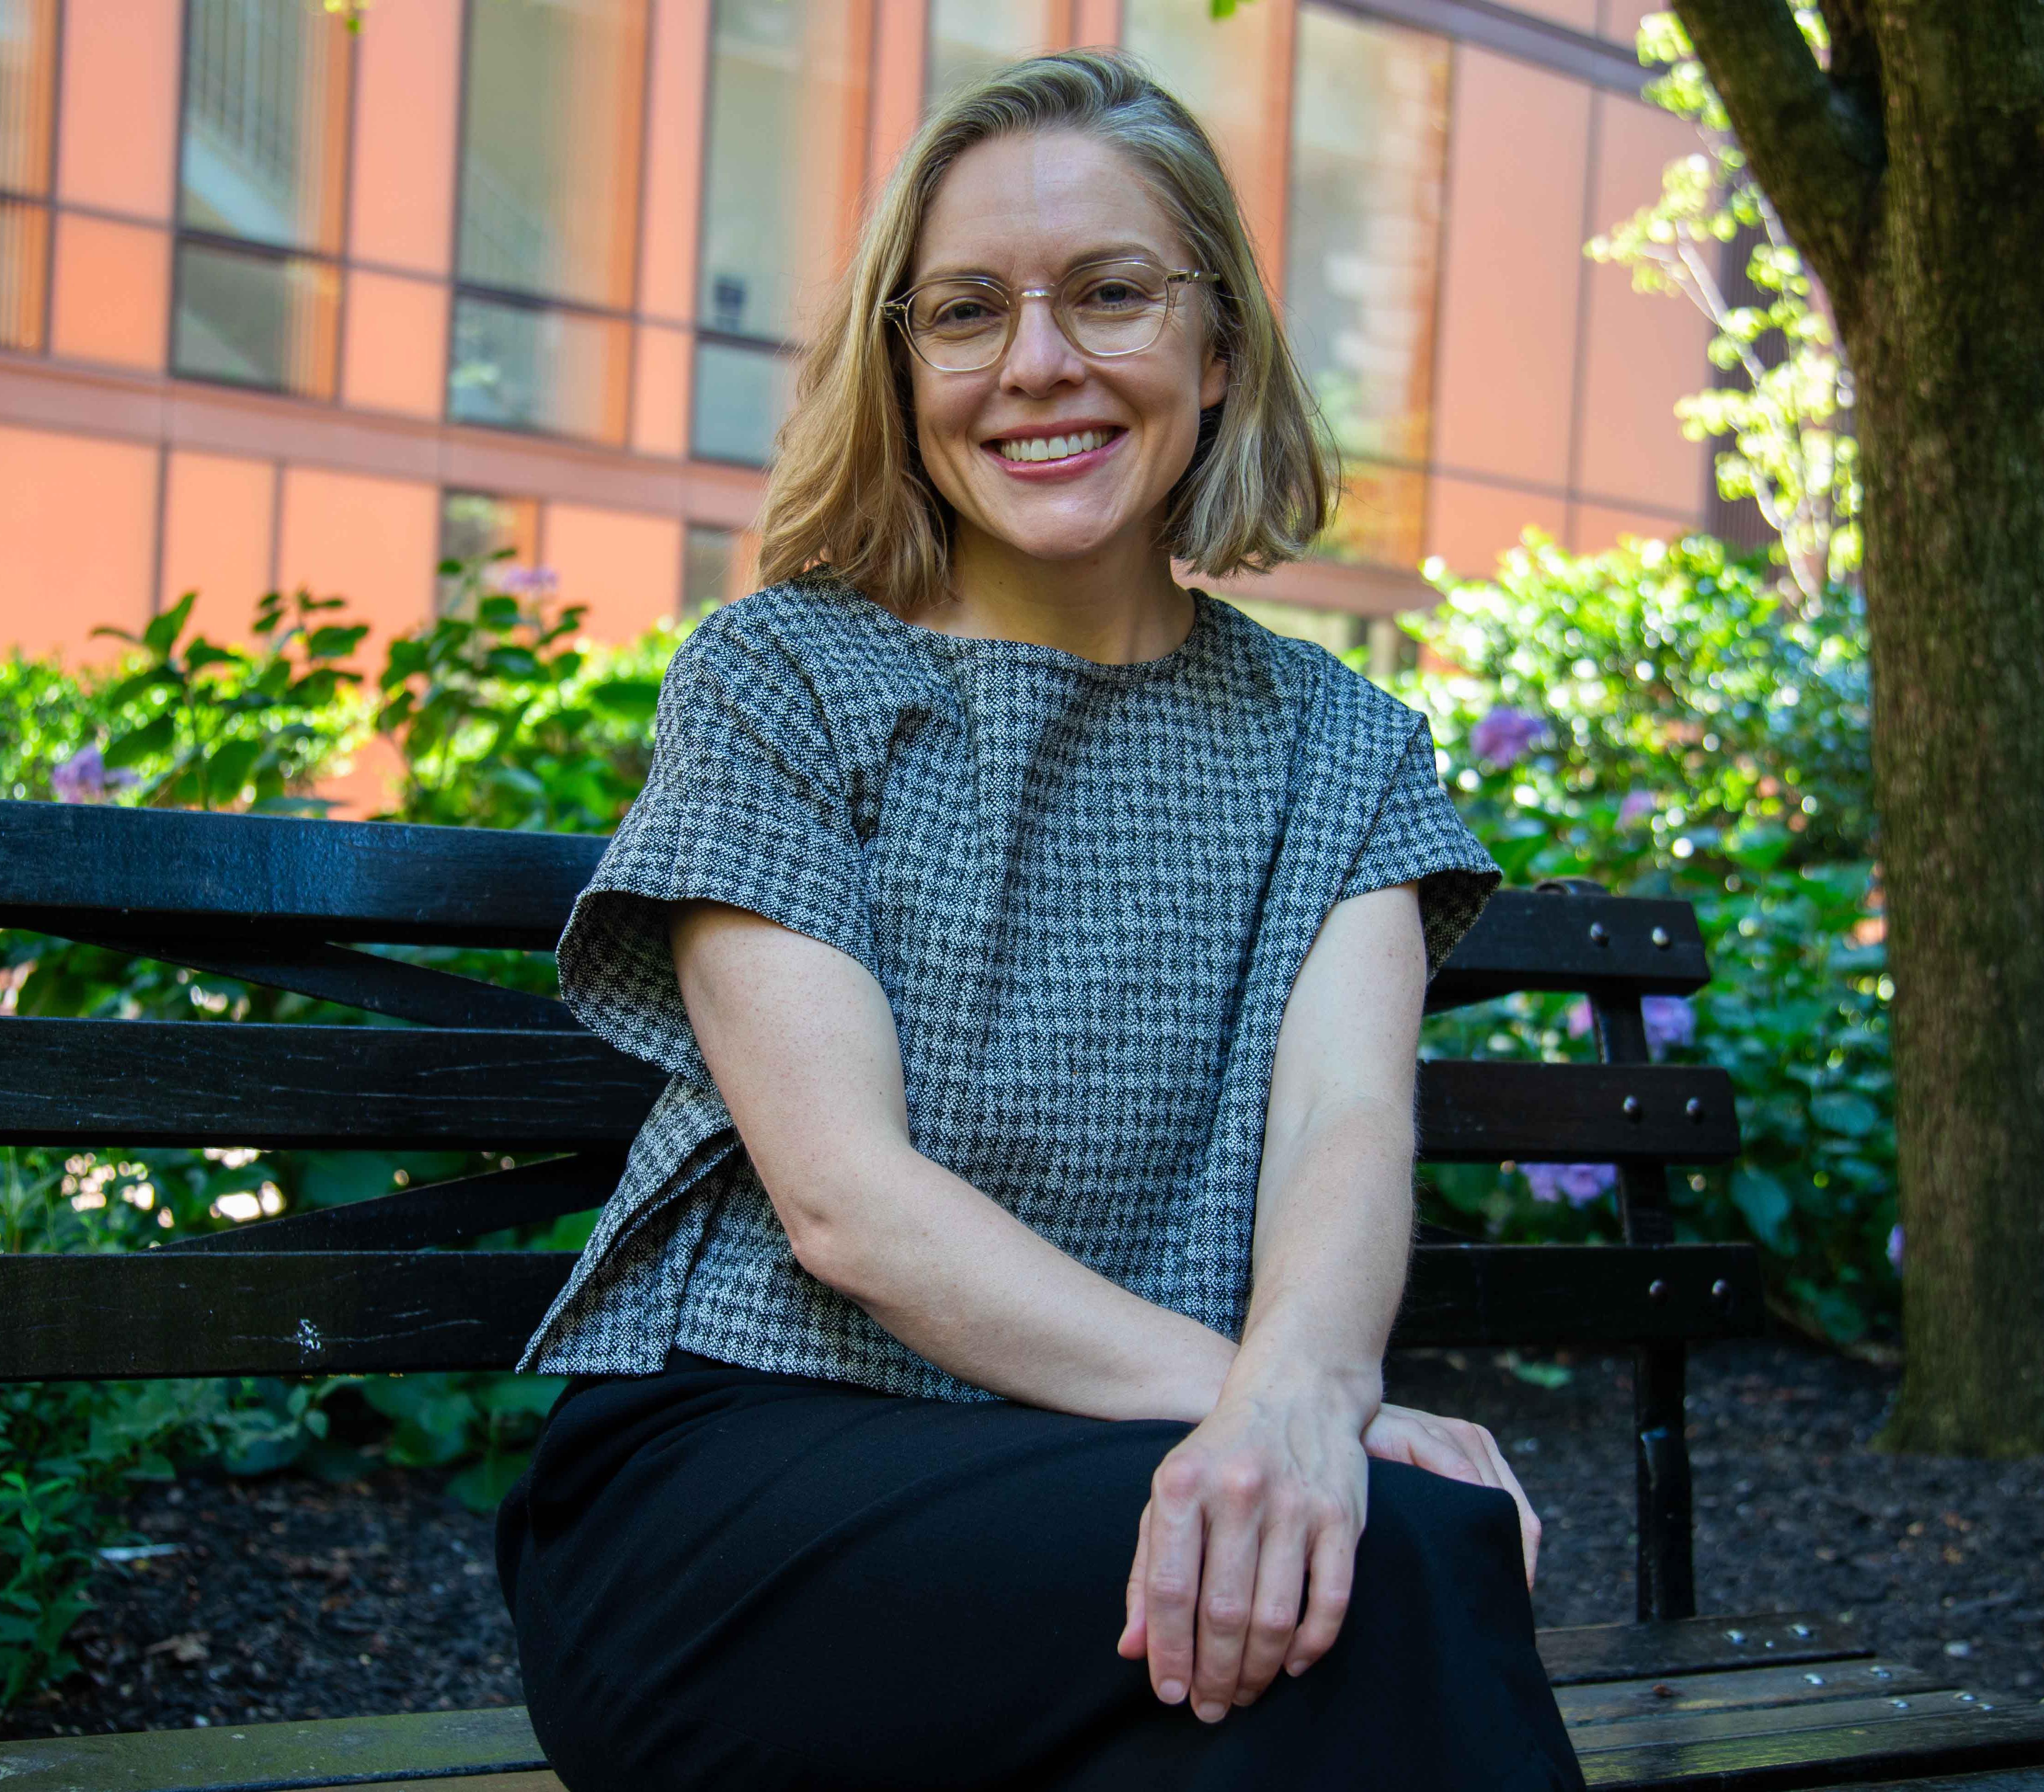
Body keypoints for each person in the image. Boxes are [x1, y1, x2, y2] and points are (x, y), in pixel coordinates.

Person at [493, 48, 1586, 1792]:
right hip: (745, 1492)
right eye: (965, 311)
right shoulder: (785, 680)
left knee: (1288, 1627)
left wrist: (1295, 1408)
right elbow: (846, 1206)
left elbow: (1343, 1120)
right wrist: (1311, 1419)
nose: (1036, 365)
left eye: (1109, 293)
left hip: (1112, 1476)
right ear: (902, 363)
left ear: (1218, 348)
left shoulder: (1339, 745)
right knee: (1371, 1556)